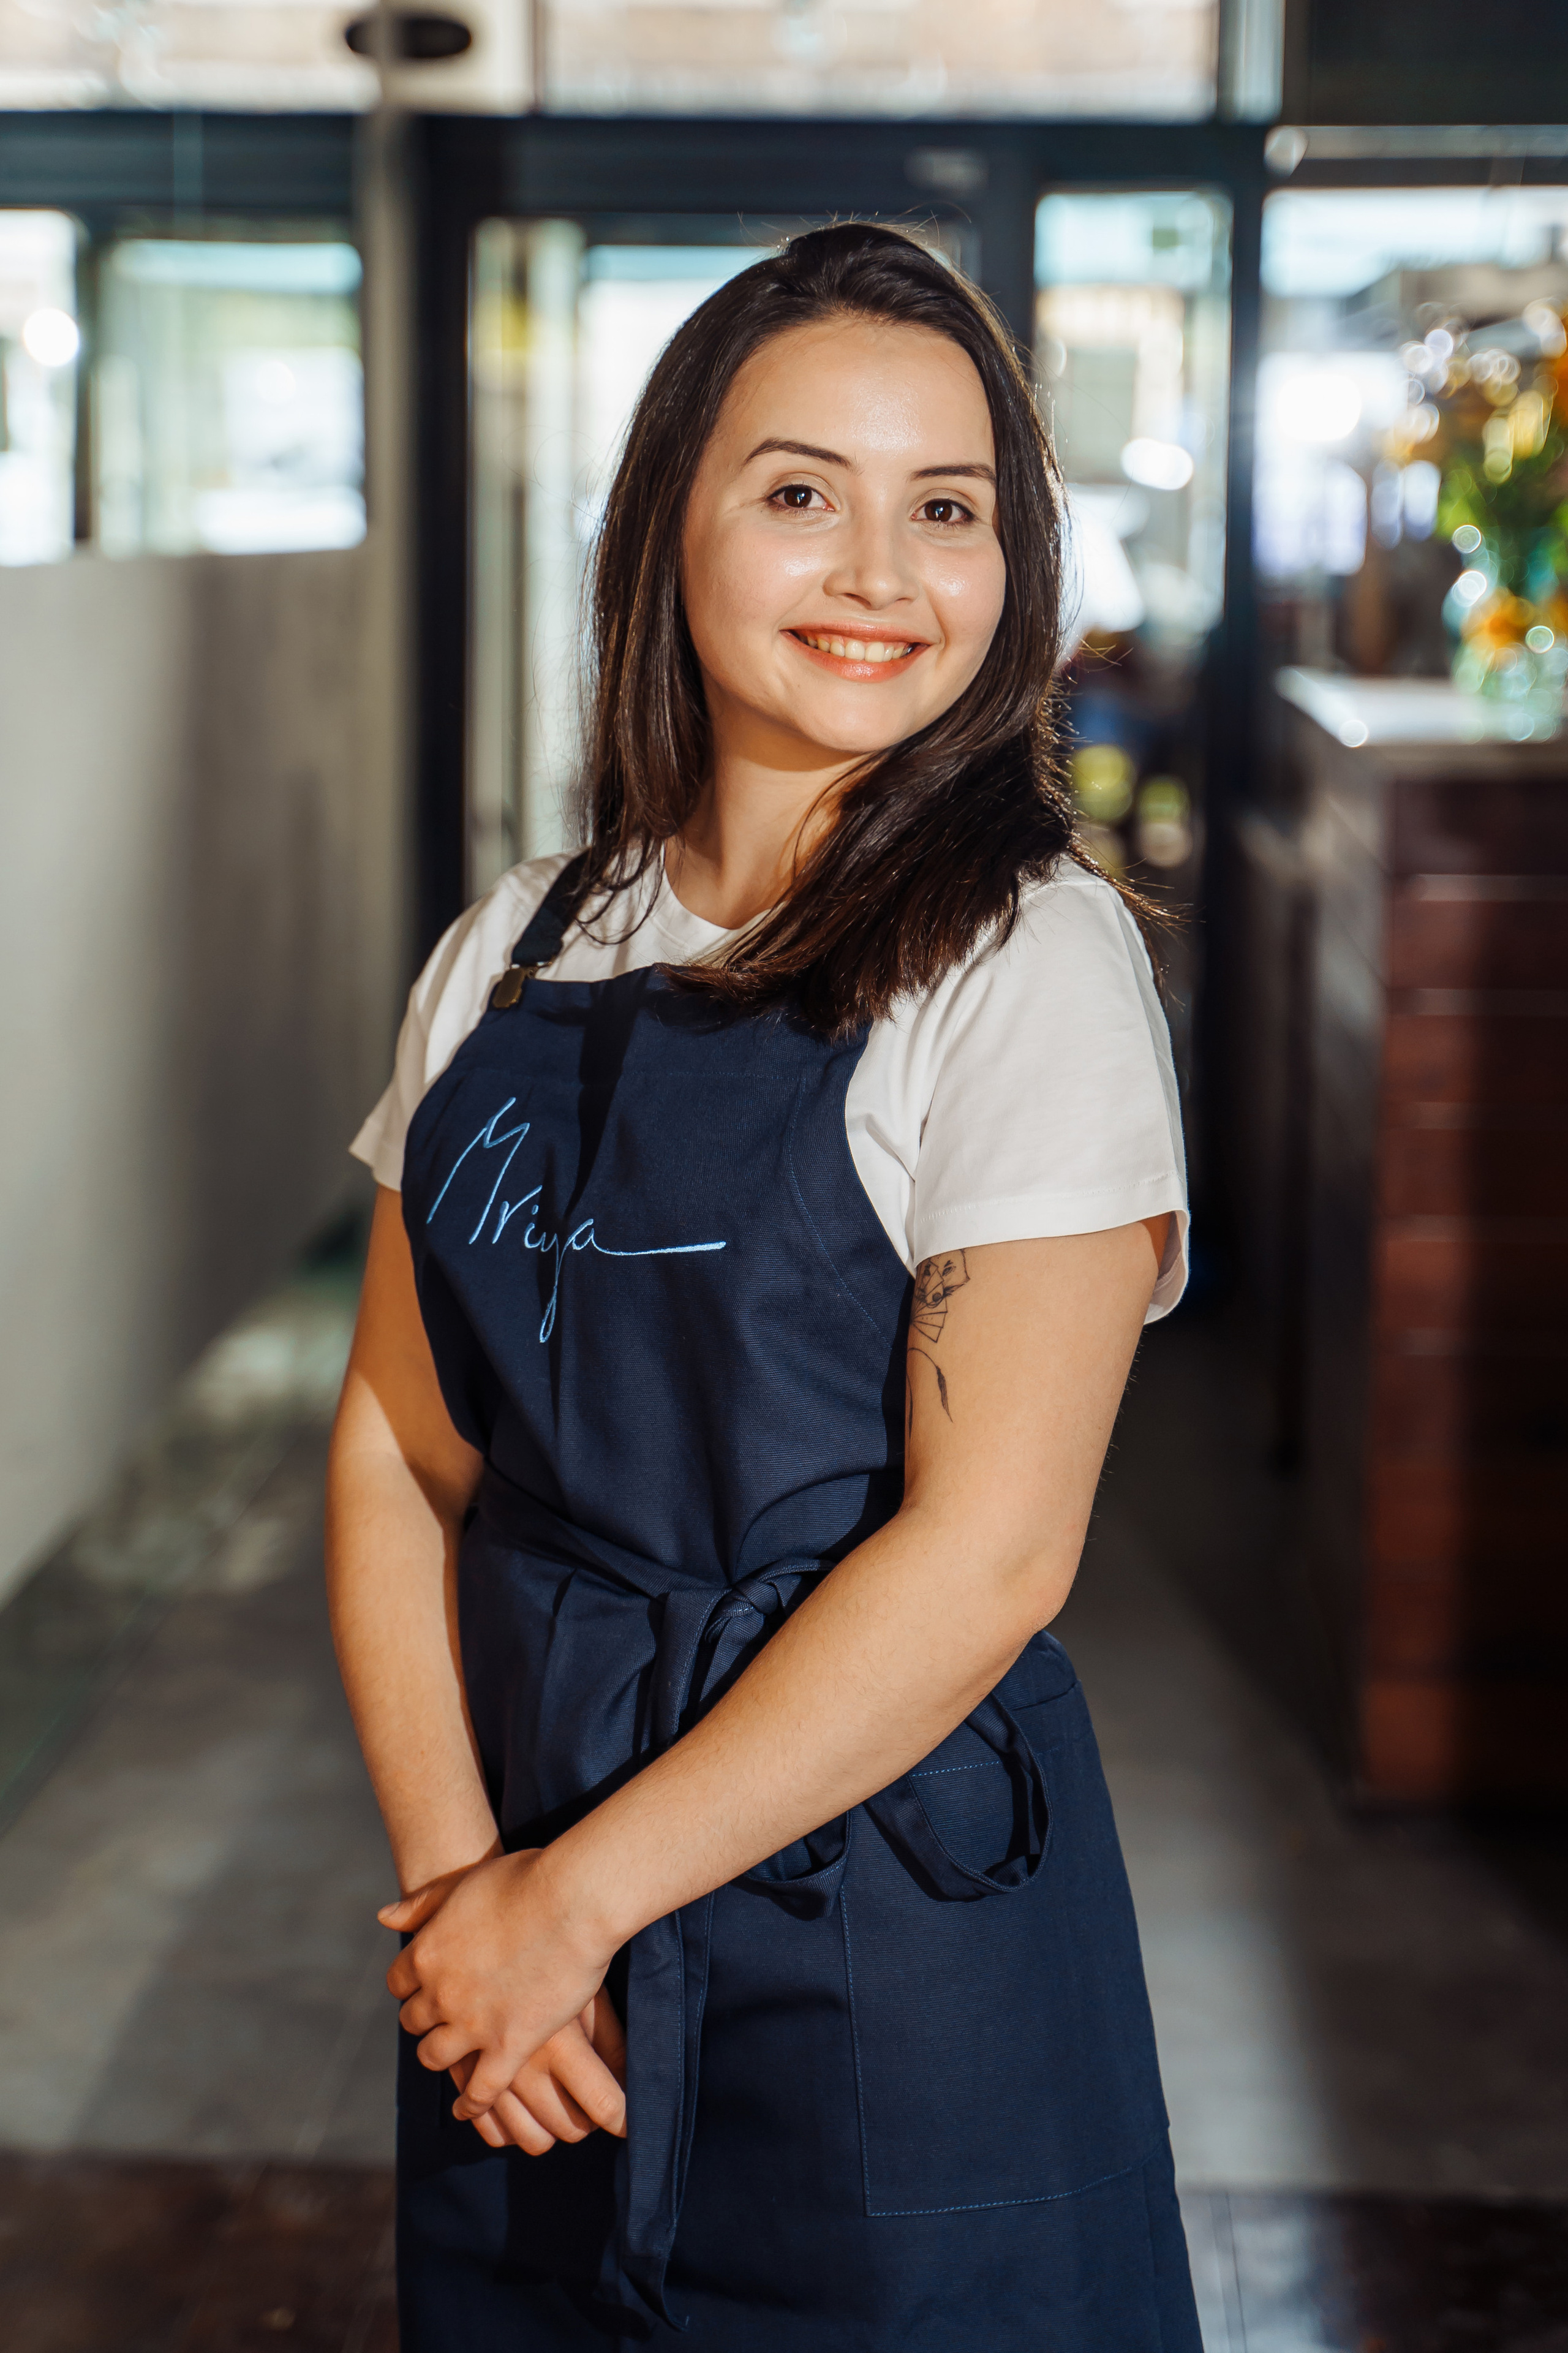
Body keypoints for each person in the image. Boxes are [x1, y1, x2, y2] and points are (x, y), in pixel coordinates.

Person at [327, 221, 1199, 2351]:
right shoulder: (514, 951)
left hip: (884, 1944)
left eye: (950, 509)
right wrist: (474, 1908)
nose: (880, 573)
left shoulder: (1028, 958)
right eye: (801, 490)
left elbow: (989, 1557)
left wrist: (576, 1897)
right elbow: (393, 1445)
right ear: (668, 528)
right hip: (532, 1965)